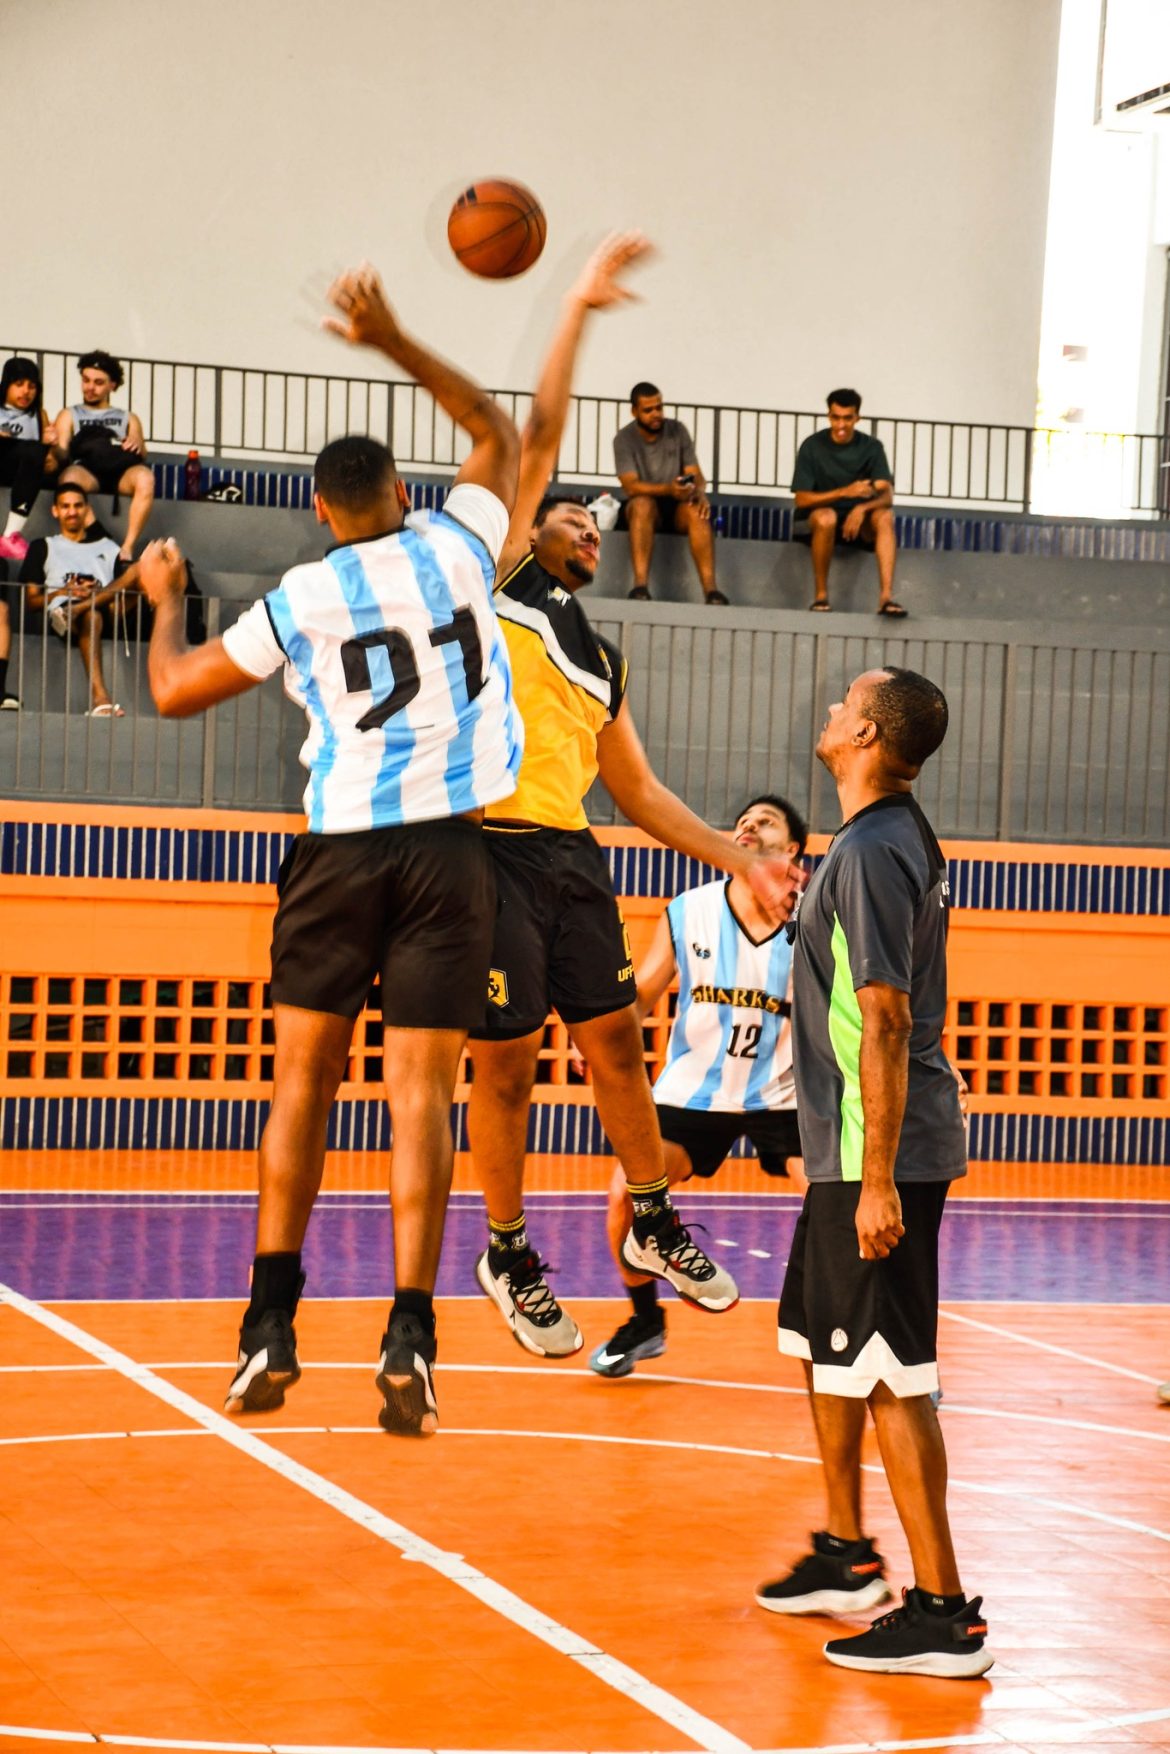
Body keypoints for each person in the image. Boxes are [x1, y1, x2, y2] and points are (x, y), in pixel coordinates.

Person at [137, 262, 523, 1437]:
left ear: (321, 509)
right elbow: (501, 429)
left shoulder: (301, 595)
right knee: (422, 1097)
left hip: (340, 851)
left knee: (302, 1079)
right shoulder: (459, 548)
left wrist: (163, 592)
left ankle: (268, 1324)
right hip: (451, 858)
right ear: (404, 491)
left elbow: (171, 694)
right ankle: (410, 1329)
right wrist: (394, 334)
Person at [468, 237, 801, 1361]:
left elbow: (640, 788)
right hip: (486, 852)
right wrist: (576, 305)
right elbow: (546, 426)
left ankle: (652, 1216)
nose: (587, 527)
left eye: (595, 526)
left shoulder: (599, 654)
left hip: (567, 856)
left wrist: (734, 853)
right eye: (572, 516)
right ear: (535, 526)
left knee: (616, 1039)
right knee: (506, 1061)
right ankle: (508, 1248)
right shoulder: (501, 579)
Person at [755, 667, 991, 1679]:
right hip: (845, 1151)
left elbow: (887, 1016)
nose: (824, 707)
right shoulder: (883, 841)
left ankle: (942, 1608)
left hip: (871, 1154)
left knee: (892, 1369)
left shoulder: (876, 851)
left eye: (841, 699)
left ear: (863, 731)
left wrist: (881, 1175)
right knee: (821, 1344)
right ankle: (849, 1553)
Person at [590, 794, 809, 1379]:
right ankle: (644, 1322)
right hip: (691, 1091)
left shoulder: (811, 917)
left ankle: (868, 1339)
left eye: (765, 822)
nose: (748, 825)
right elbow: (642, 994)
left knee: (834, 1206)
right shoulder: (689, 910)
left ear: (790, 850)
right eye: (742, 819)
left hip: (781, 1094)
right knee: (623, 1197)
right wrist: (606, 1033)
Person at [20, 483, 140, 717]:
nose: (72, 511)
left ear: (87, 509)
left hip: (109, 610)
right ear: (55, 511)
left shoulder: (110, 547)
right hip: (64, 617)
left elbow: (121, 595)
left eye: (77, 505)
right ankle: (101, 699)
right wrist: (64, 592)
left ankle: (84, 606)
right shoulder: (43, 546)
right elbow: (32, 602)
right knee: (91, 615)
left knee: (140, 571)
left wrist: (95, 593)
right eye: (65, 506)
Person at [792, 390, 904, 618]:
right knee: (826, 517)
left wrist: (861, 508)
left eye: (847, 418)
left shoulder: (871, 447)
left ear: (857, 418)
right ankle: (821, 596)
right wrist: (845, 492)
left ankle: (886, 598)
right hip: (816, 522)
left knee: (885, 516)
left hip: (858, 523)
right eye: (836, 417)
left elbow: (887, 495)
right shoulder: (812, 446)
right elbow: (801, 499)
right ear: (829, 416)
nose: (841, 424)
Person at [613, 383, 728, 605]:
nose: (656, 414)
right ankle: (640, 586)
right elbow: (631, 486)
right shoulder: (624, 438)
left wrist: (698, 492)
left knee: (698, 510)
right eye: (648, 410)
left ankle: (712, 591)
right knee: (642, 504)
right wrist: (668, 489)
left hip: (677, 506)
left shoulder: (678, 430)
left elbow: (696, 475)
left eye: (659, 407)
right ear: (634, 411)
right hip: (643, 509)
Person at [55, 351, 154, 560]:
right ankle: (96, 534)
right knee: (69, 479)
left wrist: (136, 443)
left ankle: (127, 547)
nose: (90, 387)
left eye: (98, 382)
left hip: (121, 472)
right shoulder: (70, 413)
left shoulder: (127, 417)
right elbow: (62, 454)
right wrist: (51, 443)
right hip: (88, 470)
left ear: (113, 385)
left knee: (146, 478)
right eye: (86, 380)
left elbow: (142, 453)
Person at [0, 356, 57, 563]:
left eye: (32, 386)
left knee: (34, 451)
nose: (26, 391)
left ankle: (10, 536)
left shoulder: (39, 416)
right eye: (19, 384)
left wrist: (50, 448)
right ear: (6, 385)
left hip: (22, 473)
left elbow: (51, 466)